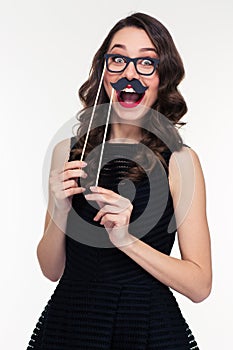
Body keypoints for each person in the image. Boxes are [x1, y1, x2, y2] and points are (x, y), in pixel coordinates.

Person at [27, 12, 212, 349]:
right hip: (71, 326)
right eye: (118, 59)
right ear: (104, 72)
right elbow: (50, 270)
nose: (130, 72)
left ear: (162, 78)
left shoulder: (180, 162)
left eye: (146, 63)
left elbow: (200, 285)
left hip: (146, 330)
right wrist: (59, 207)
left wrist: (125, 240)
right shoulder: (67, 153)